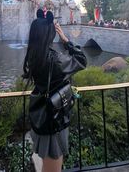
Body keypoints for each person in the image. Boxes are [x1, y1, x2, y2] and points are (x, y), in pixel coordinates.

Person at [23, 9, 87, 172]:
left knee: (47, 162)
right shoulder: (55, 59)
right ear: (51, 35)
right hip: (54, 118)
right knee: (53, 165)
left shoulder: (33, 55)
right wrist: (65, 39)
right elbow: (81, 60)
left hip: (41, 113)